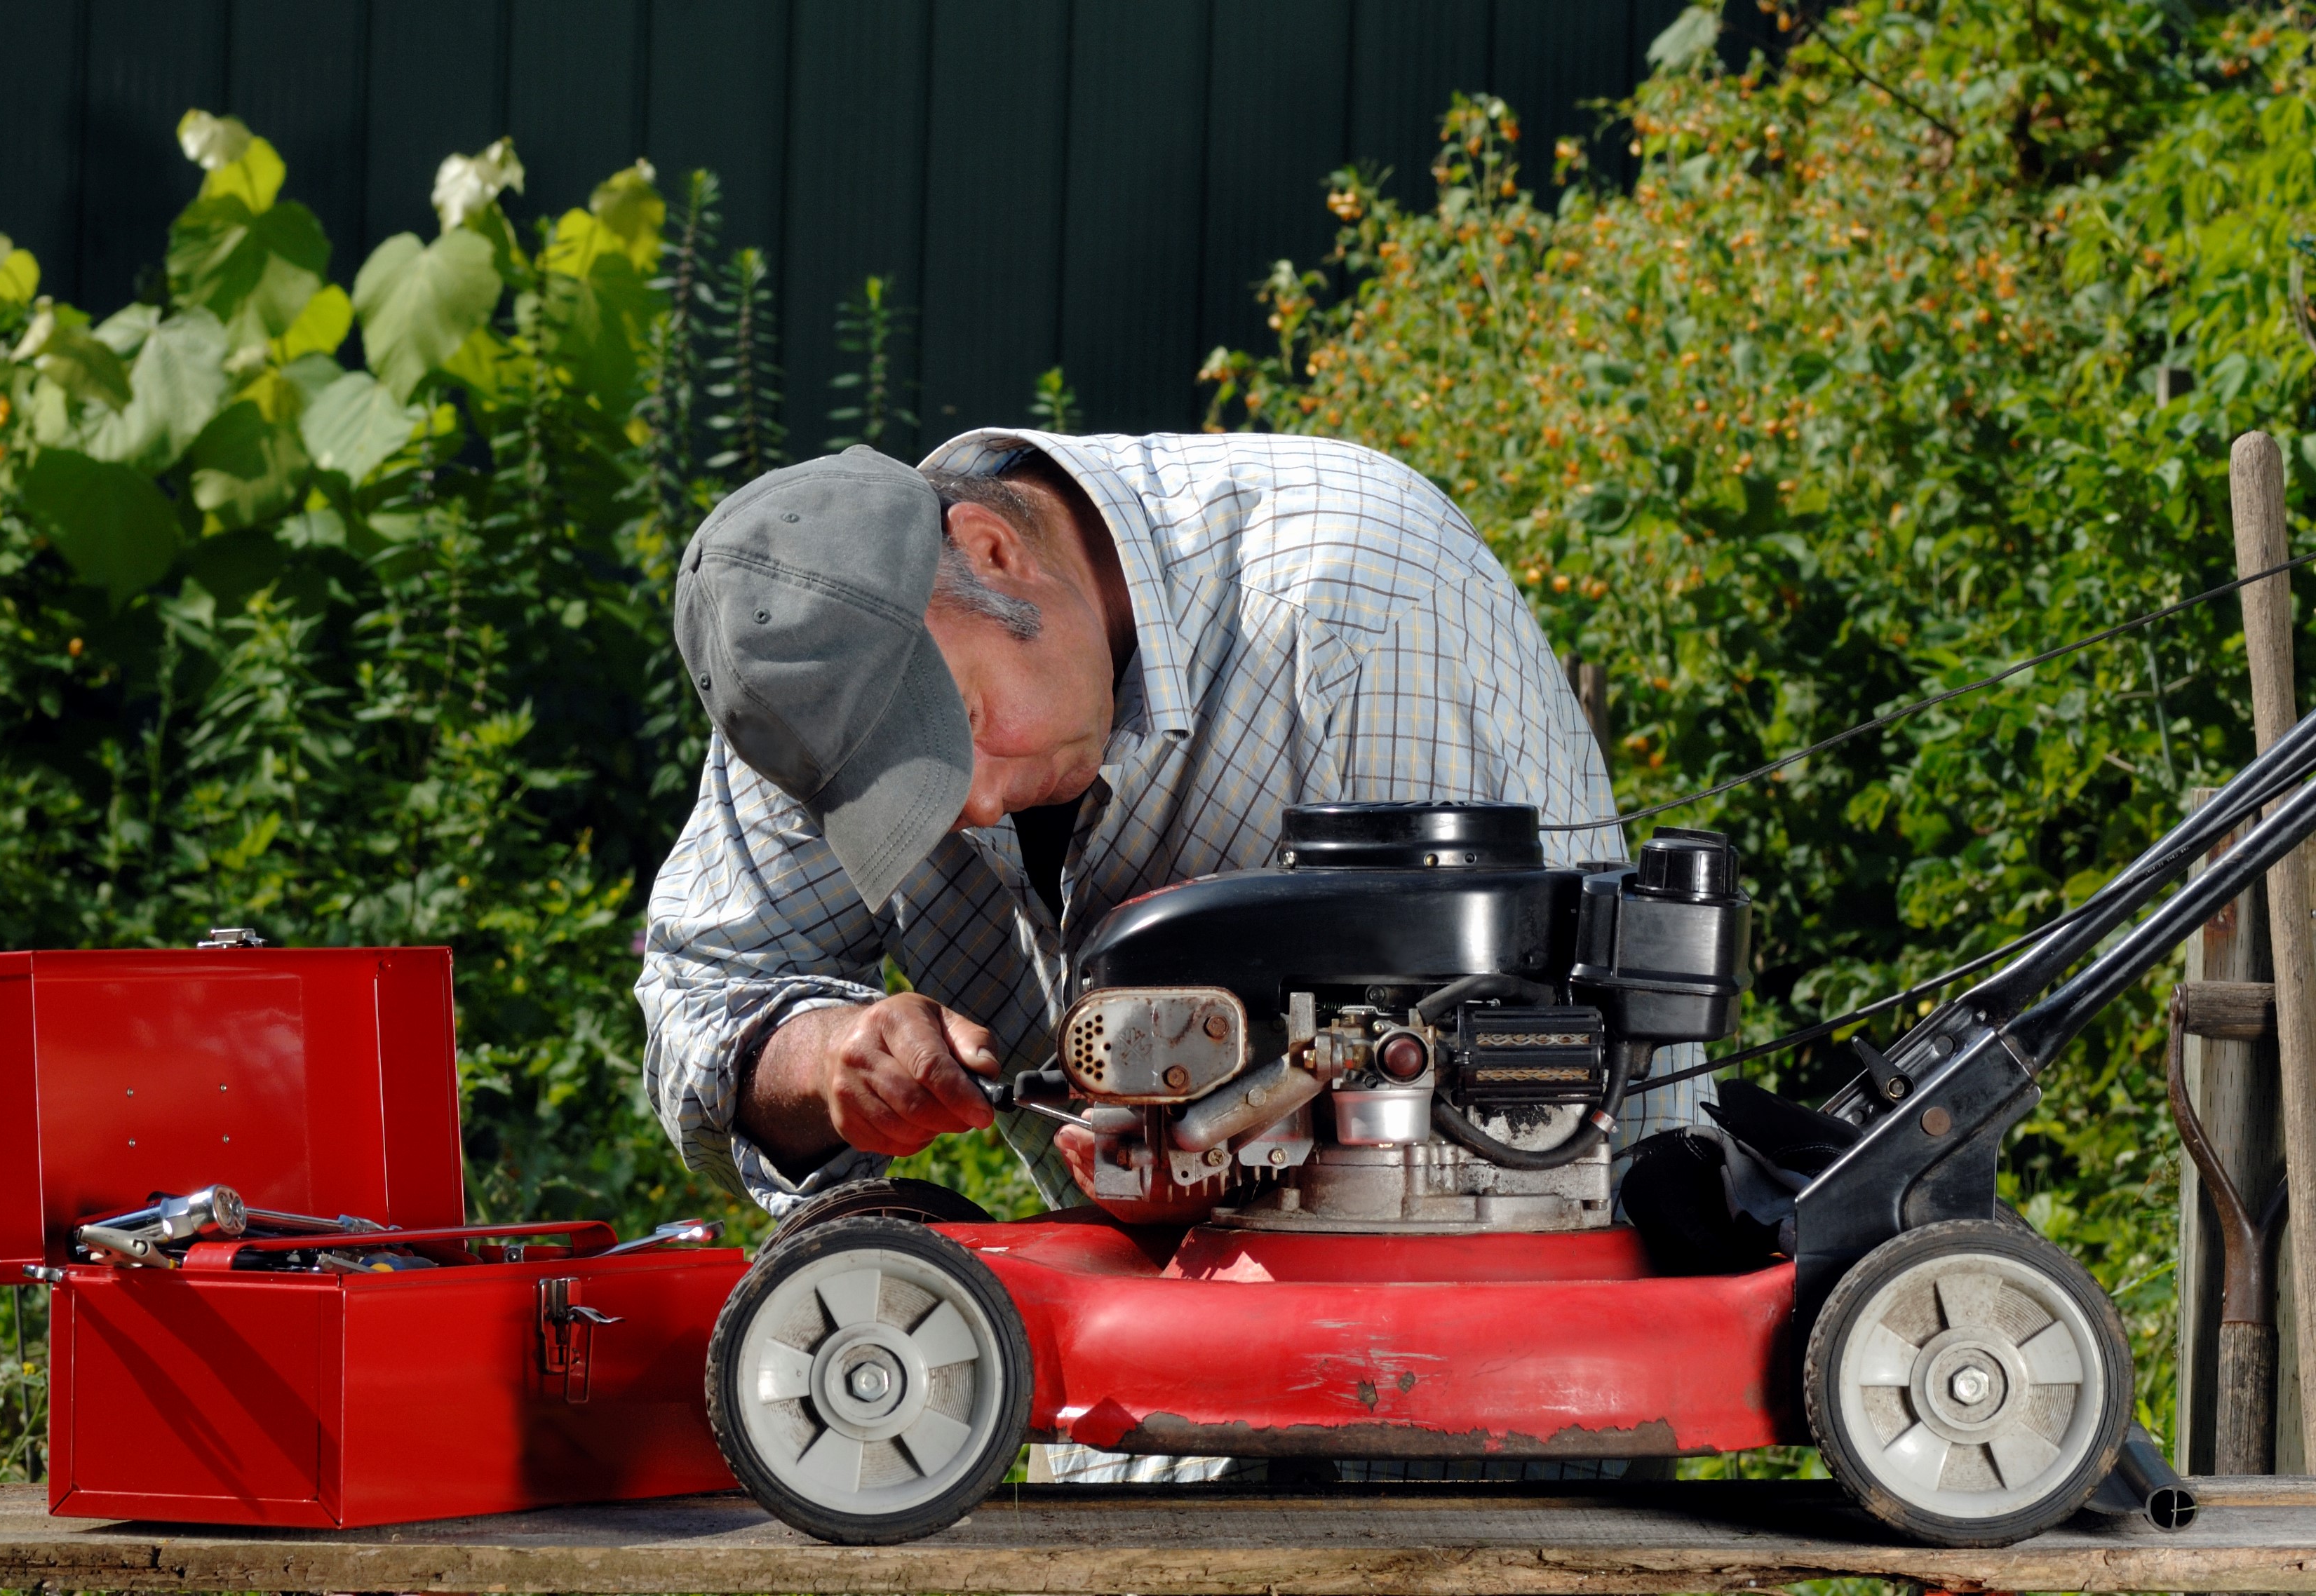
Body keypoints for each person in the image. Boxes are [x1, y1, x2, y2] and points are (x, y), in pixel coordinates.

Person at [637, 428, 1711, 1479]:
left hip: (1487, 1404)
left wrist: (1220, 1146)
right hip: (1139, 1382)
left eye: (960, 722)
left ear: (996, 551)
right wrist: (823, 1056)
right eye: (893, 795)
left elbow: (1513, 1105)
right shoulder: (810, 686)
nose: (967, 805)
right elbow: (707, 999)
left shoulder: (1356, 605)